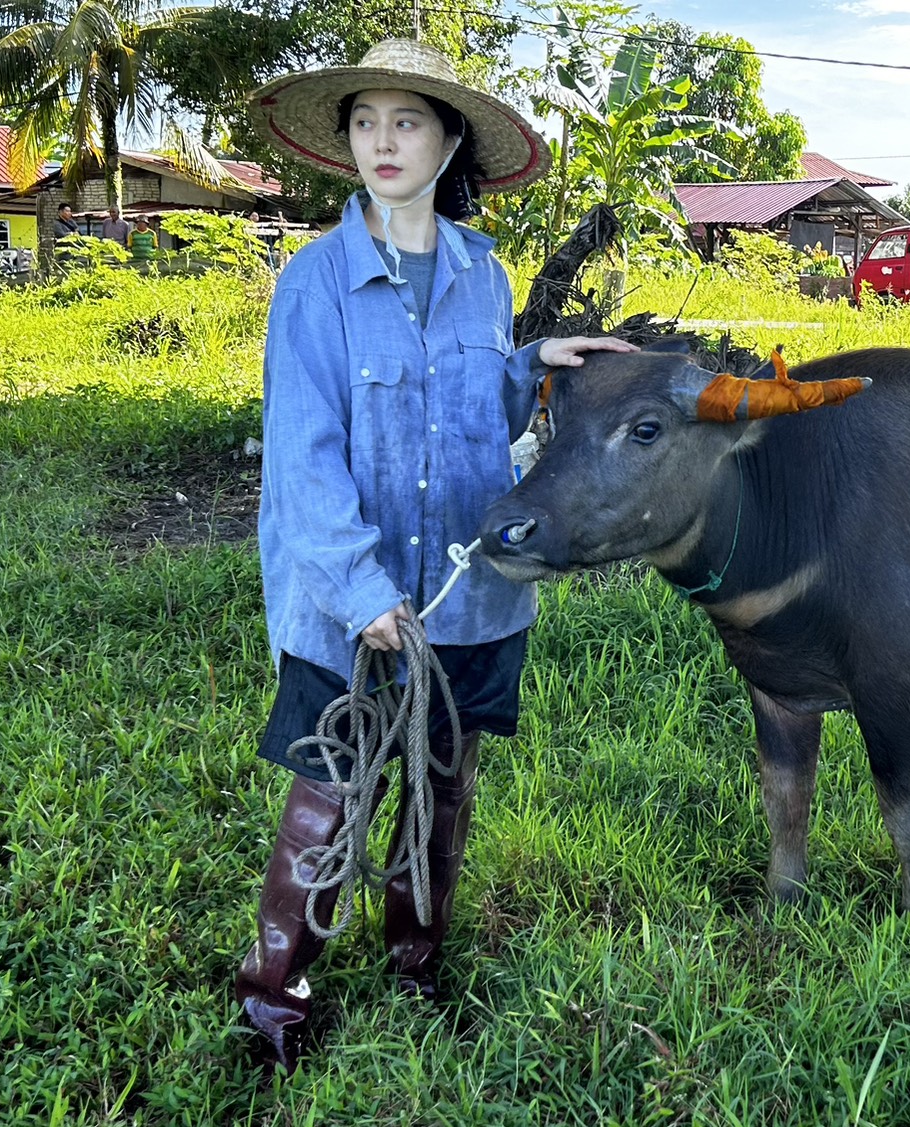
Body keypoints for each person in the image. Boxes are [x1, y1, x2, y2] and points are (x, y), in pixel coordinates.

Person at [239, 38, 635, 1070]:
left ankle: (416, 964)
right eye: (365, 121)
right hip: (353, 607)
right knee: (334, 789)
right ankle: (274, 998)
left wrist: (531, 363)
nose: (383, 141)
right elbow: (302, 457)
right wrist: (360, 588)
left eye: (406, 122)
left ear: (449, 141)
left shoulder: (481, 273)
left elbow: (469, 418)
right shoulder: (314, 284)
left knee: (441, 783)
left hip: (466, 594)